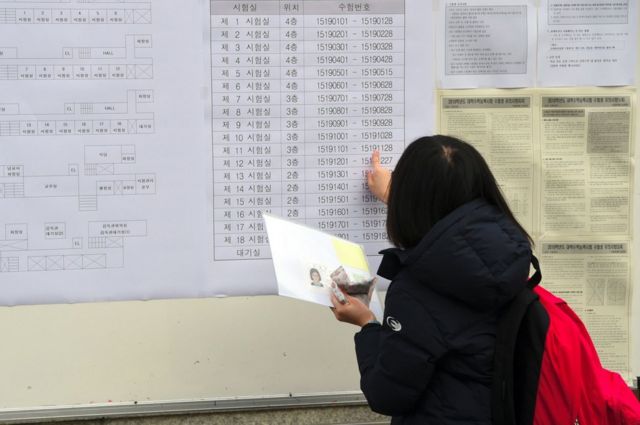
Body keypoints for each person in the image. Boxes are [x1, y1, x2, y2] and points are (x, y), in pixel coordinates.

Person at [330, 135, 533, 424]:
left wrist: (367, 325)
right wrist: (394, 198)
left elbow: (387, 394)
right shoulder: (509, 254)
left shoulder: (418, 292)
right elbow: (453, 234)